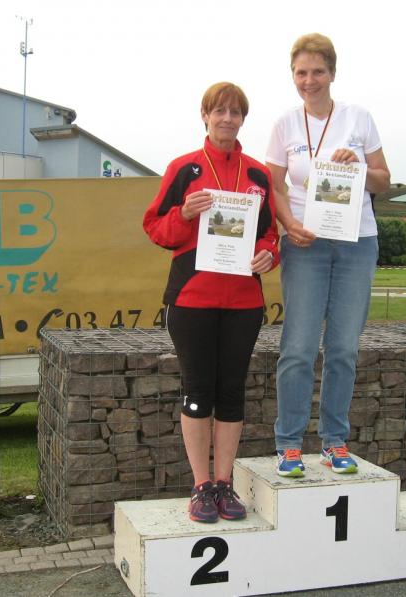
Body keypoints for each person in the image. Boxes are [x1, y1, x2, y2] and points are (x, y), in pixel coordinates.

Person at [143, 82, 280, 522]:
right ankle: (201, 486)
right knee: (198, 391)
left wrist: (269, 254)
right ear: (205, 116)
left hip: (243, 302)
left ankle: (224, 484)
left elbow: (269, 234)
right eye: (218, 111)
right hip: (192, 298)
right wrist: (184, 213)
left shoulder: (258, 174)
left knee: (232, 393)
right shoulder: (184, 169)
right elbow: (155, 227)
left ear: (243, 119)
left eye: (234, 112)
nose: (226, 119)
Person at [266, 33, 391, 477]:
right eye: (301, 72)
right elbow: (274, 186)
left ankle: (335, 440)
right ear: (293, 76)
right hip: (305, 243)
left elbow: (383, 180)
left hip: (357, 241)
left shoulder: (359, 117)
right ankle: (289, 443)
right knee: (298, 347)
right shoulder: (284, 124)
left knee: (342, 348)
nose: (309, 80)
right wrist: (289, 225)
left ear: (332, 73)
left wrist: (360, 167)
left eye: (318, 71)